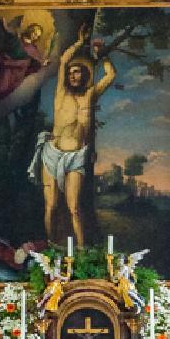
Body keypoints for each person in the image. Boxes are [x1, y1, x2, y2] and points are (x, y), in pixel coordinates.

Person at [31, 26, 116, 247]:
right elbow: (63, 61)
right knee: (50, 205)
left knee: (74, 208)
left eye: (77, 72)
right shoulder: (62, 93)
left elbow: (110, 75)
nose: (73, 75)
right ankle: (50, 246)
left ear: (84, 74)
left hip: (76, 157)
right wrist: (79, 42)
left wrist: (101, 54)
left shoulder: (90, 95)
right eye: (70, 73)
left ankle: (81, 251)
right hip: (53, 155)